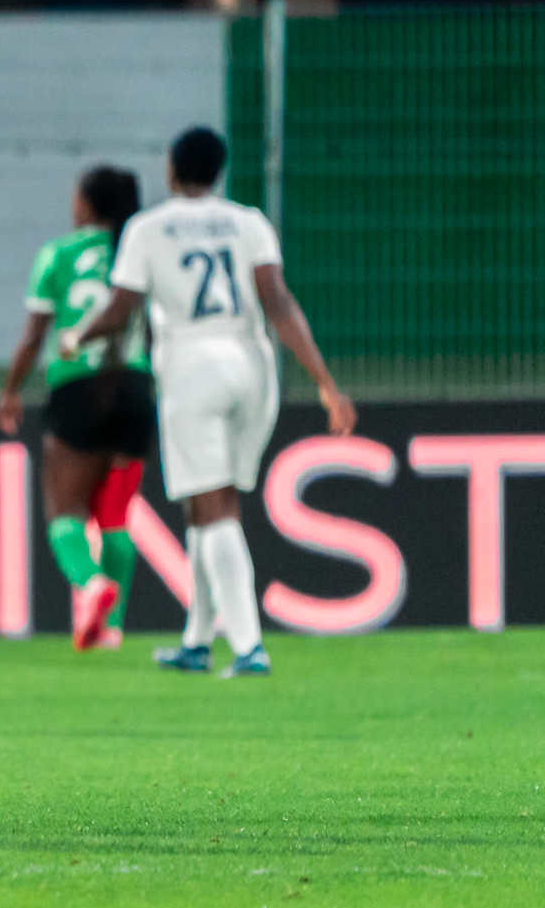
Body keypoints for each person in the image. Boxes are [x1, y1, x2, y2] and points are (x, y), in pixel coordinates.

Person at [68, 126, 355, 677]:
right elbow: (278, 302)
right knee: (204, 507)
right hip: (254, 369)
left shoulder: (149, 228)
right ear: (218, 172)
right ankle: (197, 640)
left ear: (173, 170)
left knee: (215, 507)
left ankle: (248, 646)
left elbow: (121, 309)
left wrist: (77, 336)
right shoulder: (249, 222)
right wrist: (324, 381)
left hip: (192, 368)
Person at [0, 166, 153, 651]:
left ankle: (91, 583)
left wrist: (11, 390)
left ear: (85, 203)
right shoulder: (139, 252)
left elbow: (34, 335)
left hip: (78, 386)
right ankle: (112, 628)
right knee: (116, 517)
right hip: (134, 385)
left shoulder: (58, 254)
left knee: (65, 511)